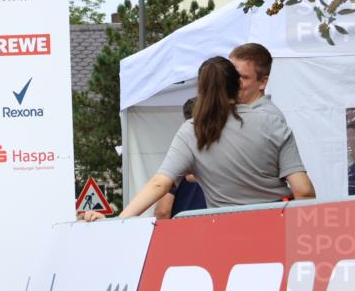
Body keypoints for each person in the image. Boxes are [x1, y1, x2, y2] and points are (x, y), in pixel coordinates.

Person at [82, 56, 315, 222]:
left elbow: (159, 184)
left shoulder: (192, 131)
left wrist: (121, 221)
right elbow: (303, 191)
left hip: (224, 231)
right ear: (238, 85)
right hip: (276, 226)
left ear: (201, 89)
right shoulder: (272, 122)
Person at [153, 98, 207, 219]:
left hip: (185, 230)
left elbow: (162, 211)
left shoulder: (180, 155)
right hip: (220, 227)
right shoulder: (224, 152)